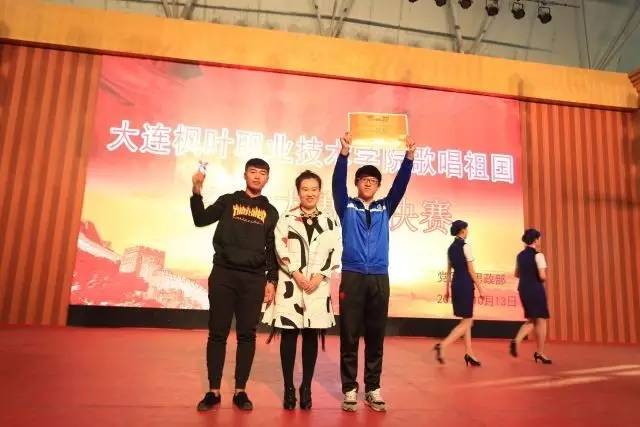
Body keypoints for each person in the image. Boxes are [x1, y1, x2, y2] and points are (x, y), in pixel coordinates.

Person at [333, 132, 415, 412]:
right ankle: (349, 389)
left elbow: (400, 186)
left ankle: (372, 388)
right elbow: (336, 183)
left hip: (379, 276)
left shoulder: (384, 207)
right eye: (363, 179)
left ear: (378, 186)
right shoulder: (346, 206)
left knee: (376, 334)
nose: (368, 183)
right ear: (357, 183)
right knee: (349, 334)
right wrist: (344, 155)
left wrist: (409, 159)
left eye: (373, 180)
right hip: (353, 275)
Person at [191, 158, 279, 412]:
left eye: (262, 173)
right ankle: (213, 391)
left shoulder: (271, 211)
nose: (257, 177)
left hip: (253, 279)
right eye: (253, 172)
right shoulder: (228, 201)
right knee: (217, 333)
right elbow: (200, 219)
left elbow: (272, 249)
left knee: (247, 335)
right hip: (224, 274)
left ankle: (240, 391)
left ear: (267, 179)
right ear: (245, 175)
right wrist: (196, 190)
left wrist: (272, 280)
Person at [262, 170, 342, 410]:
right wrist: (296, 274)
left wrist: (319, 276)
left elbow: (336, 251)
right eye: (305, 189)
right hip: (290, 285)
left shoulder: (330, 221)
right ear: (298, 191)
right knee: (288, 336)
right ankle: (288, 388)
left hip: (317, 287)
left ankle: (306, 387)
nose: (310, 193)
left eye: (314, 189)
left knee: (310, 337)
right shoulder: (286, 219)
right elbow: (279, 249)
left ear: (320, 192)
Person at [433, 220, 483, 366]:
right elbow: (471, 271)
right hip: (465, 285)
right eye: (467, 229)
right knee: (468, 321)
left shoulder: (450, 248)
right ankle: (443, 346)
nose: (468, 232)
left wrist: (446, 290)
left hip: (456, 285)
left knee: (466, 320)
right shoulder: (466, 246)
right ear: (462, 231)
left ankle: (469, 353)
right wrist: (480, 288)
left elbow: (448, 271)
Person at [510, 228, 552, 364]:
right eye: (539, 238)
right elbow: (542, 276)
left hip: (523, 289)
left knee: (532, 319)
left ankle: (517, 340)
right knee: (541, 320)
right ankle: (540, 353)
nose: (540, 240)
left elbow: (516, 274)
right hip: (535, 289)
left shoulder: (520, 255)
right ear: (535, 240)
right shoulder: (538, 255)